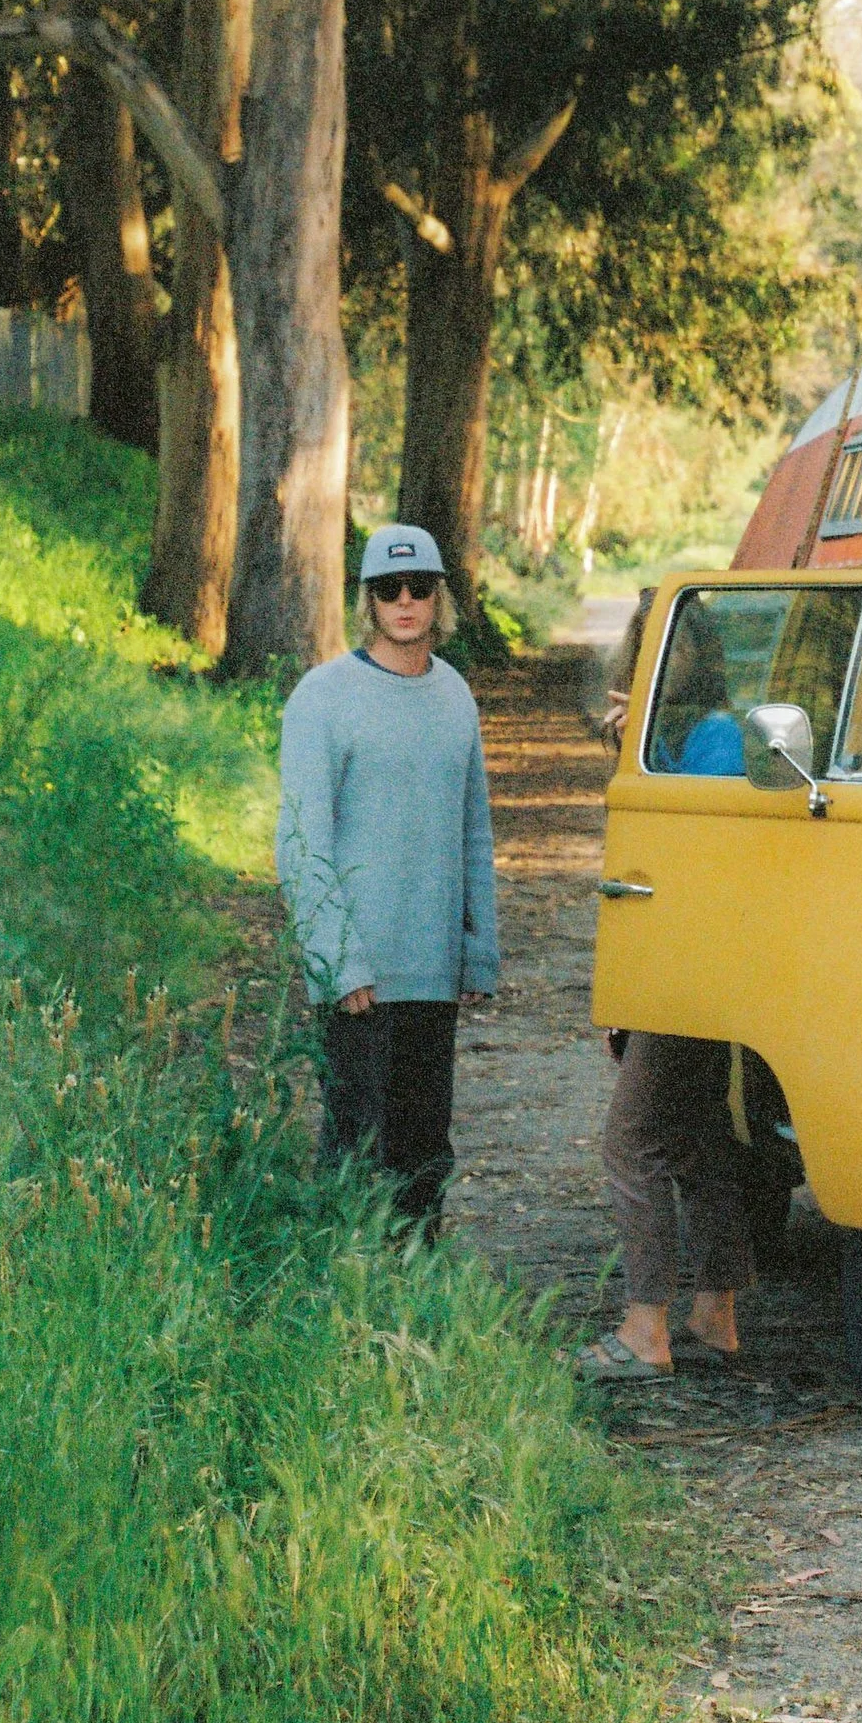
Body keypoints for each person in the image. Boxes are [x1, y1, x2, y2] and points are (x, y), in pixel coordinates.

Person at [277, 522, 498, 1243]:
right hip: (361, 978)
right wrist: (339, 960)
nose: (405, 601)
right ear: (367, 601)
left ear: (440, 598)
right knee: (354, 1152)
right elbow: (301, 843)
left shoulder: (457, 696)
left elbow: (474, 831)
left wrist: (478, 948)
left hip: (432, 968)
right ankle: (341, 1304)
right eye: (388, 589)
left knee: (424, 1154)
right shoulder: (322, 697)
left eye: (420, 588)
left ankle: (417, 1305)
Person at [581, 588, 755, 1382]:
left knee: (634, 1138)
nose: (657, 659)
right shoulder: (673, 736)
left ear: (695, 654)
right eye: (647, 643)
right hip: (678, 962)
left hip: (693, 966)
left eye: (672, 646)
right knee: (697, 1136)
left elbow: (691, 854)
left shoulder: (715, 737)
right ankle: (716, 1307)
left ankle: (644, 1325)